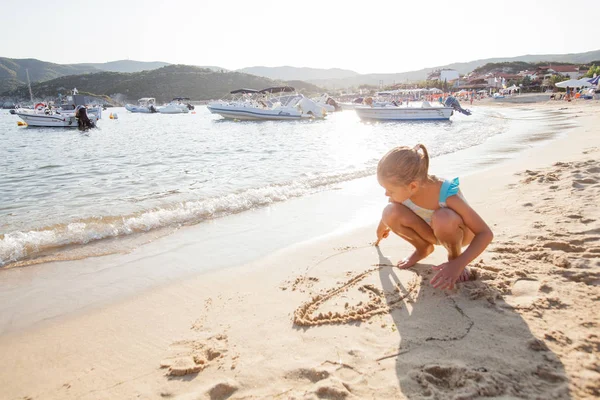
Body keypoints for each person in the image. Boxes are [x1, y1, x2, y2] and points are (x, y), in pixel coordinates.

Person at [374, 144, 494, 290]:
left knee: (444, 217)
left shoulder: (446, 194)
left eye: (390, 190)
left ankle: (454, 257)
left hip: (458, 234)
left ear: (413, 186)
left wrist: (459, 264)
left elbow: (485, 233)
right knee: (389, 211)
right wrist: (382, 228)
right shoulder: (403, 191)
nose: (386, 194)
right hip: (431, 232)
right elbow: (390, 211)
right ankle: (422, 248)